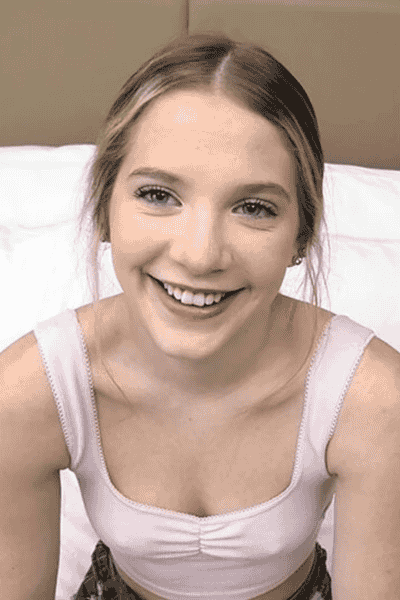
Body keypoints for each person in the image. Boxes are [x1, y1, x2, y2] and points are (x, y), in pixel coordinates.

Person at [2, 32, 399, 600]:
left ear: (301, 236)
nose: (199, 255)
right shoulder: (29, 389)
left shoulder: (375, 398)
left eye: (253, 207)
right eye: (158, 195)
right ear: (105, 207)